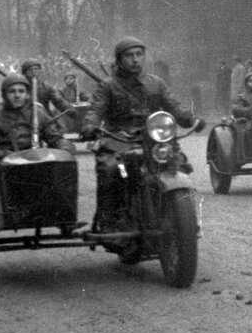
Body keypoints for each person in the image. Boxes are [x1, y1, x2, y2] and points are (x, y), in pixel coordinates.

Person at [84, 37, 200, 232]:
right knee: (111, 169)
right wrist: (90, 125)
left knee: (178, 164)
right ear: (119, 60)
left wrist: (189, 118)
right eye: (129, 55)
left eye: (139, 54)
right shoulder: (109, 85)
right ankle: (111, 221)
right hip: (120, 138)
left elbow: (174, 105)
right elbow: (96, 109)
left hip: (154, 137)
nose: (135, 59)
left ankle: (185, 220)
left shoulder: (156, 83)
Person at [0, 74, 74, 167]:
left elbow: (55, 138)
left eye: (21, 91)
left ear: (27, 94)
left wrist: (64, 148)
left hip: (36, 164)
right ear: (4, 94)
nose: (17, 95)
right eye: (12, 91)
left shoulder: (38, 113)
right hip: (6, 166)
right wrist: (6, 155)